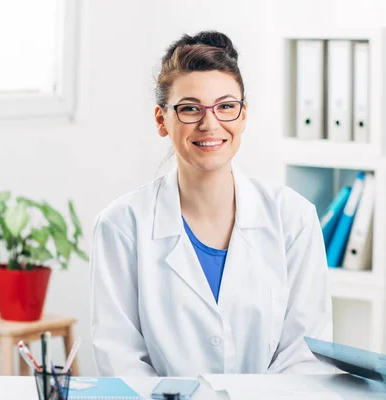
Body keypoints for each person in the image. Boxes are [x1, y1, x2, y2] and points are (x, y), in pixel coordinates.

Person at [90, 30, 332, 377]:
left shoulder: (293, 219)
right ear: (162, 119)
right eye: (190, 108)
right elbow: (121, 362)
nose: (210, 123)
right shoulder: (121, 226)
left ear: (243, 115)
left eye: (226, 106)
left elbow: (305, 356)